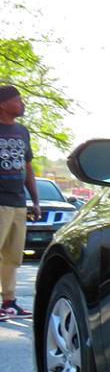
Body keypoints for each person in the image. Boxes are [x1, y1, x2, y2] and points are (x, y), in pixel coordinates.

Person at [0, 84, 41, 317]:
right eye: (18, 100)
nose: (22, 104)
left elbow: (27, 166)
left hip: (18, 202)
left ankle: (9, 302)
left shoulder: (22, 131)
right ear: (4, 104)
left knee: (13, 256)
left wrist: (35, 200)